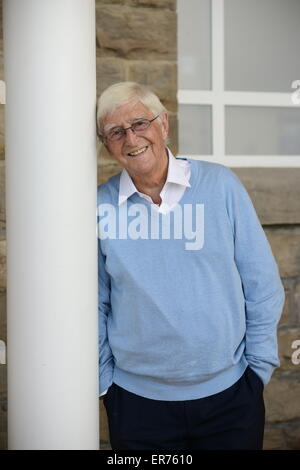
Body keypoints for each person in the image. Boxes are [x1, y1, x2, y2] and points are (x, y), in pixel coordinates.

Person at [97, 81, 285, 450]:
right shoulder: (100, 205)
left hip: (231, 398)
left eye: (140, 123)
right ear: (106, 144)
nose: (131, 138)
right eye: (116, 132)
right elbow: (92, 304)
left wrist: (257, 370)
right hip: (137, 404)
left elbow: (262, 284)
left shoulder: (220, 186)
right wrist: (106, 384)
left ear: (163, 124)